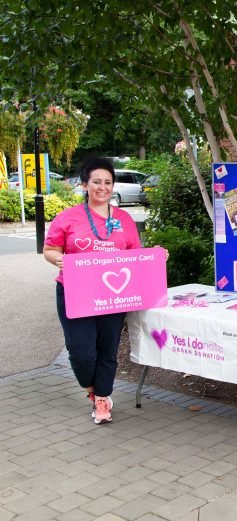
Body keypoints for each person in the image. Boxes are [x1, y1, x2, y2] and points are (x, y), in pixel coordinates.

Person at [43, 157, 141, 425]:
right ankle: (91, 390)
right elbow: (50, 250)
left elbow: (135, 255)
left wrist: (156, 258)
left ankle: (102, 399)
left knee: (107, 349)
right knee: (81, 352)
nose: (103, 187)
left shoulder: (124, 219)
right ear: (85, 184)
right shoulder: (67, 218)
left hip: (113, 295)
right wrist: (59, 259)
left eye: (108, 182)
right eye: (96, 181)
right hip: (75, 292)